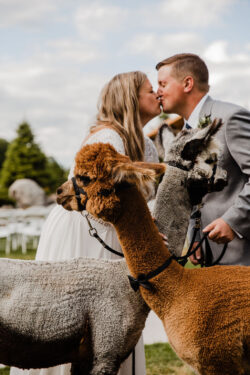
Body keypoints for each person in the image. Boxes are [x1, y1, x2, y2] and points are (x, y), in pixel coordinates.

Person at [10, 71, 161, 375]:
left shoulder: (144, 144)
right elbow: (95, 205)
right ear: (131, 100)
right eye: (149, 90)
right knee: (92, 321)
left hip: (116, 233)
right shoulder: (108, 138)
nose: (156, 93)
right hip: (86, 232)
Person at [156, 53, 250, 266]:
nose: (157, 92)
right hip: (210, 256)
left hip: (243, 255)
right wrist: (194, 234)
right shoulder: (185, 133)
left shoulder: (230, 118)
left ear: (187, 83)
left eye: (162, 84)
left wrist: (233, 221)